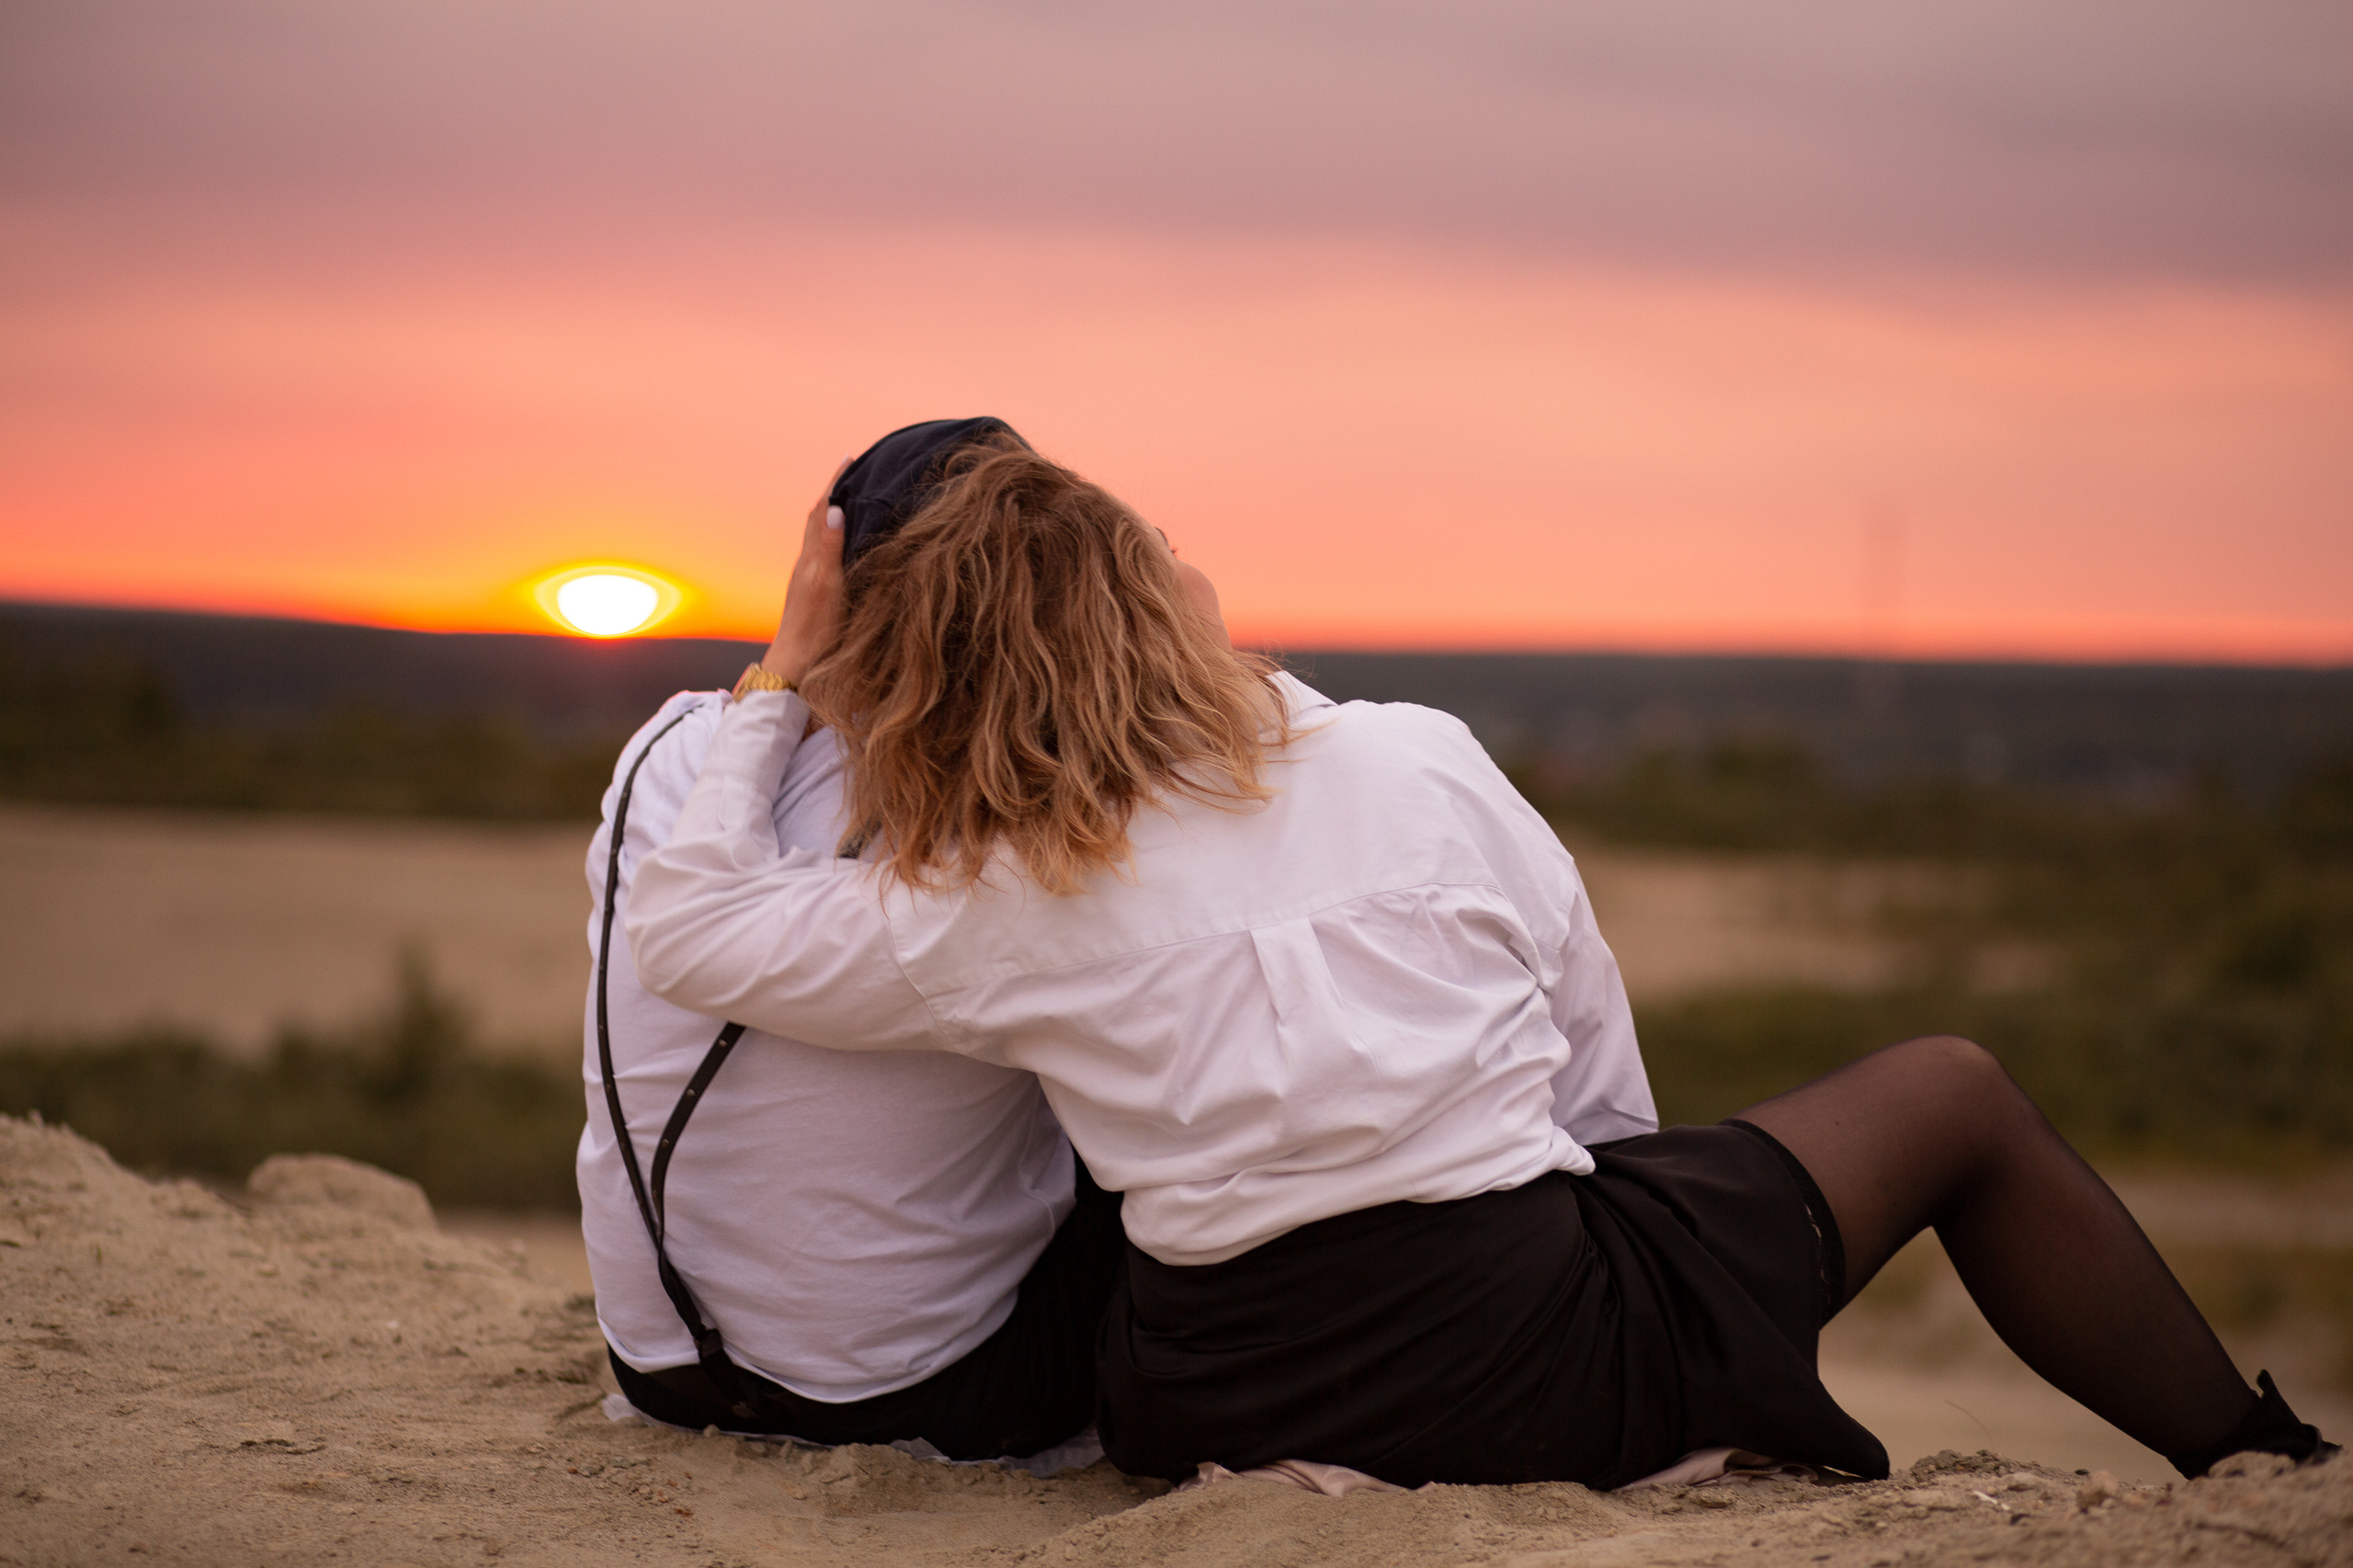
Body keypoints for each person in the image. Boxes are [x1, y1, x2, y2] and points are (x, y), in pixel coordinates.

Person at [624, 432, 2333, 1487]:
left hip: (1204, 1387)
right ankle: (2264, 1471)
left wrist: (780, 679)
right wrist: (1631, 1277)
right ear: (1161, 608)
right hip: (1517, 1343)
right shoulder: (1416, 757)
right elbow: (1591, 1074)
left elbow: (694, 932)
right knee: (1955, 1092)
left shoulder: (990, 892)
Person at [577, 418, 1121, 1462]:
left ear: (823, 565)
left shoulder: (664, 749)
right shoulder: (1019, 803)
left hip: (648, 1363)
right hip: (911, 1395)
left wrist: (782, 672)